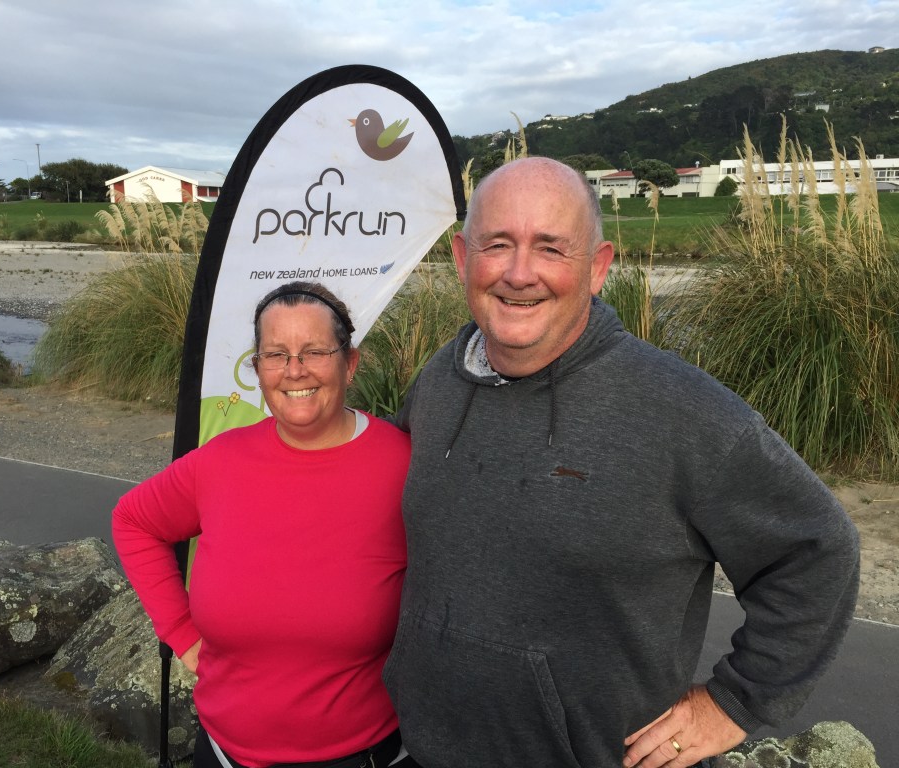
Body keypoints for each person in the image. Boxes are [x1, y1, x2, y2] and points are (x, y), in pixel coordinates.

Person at [382, 158, 861, 768]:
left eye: (551, 248)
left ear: (599, 267)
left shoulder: (680, 411)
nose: (519, 273)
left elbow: (818, 551)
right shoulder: (437, 384)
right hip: (429, 752)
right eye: (497, 244)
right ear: (460, 258)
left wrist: (734, 703)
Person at [113, 281, 418, 768]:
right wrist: (181, 633)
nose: (294, 370)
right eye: (275, 354)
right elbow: (133, 520)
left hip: (363, 757)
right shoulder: (219, 463)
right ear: (257, 370)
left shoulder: (403, 466)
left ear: (351, 362)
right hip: (222, 756)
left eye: (314, 351)